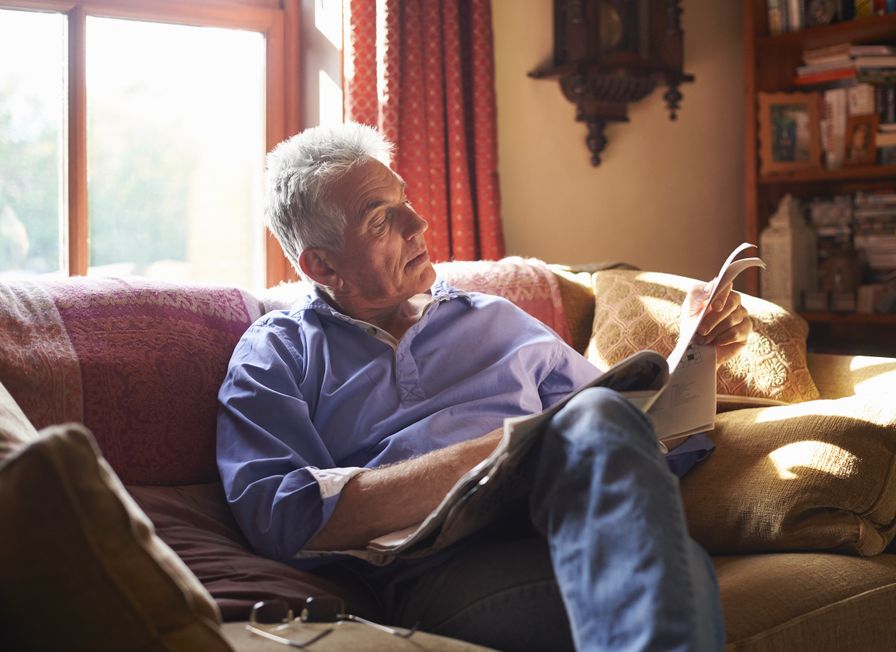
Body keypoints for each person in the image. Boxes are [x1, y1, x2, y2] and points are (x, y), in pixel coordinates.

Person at [216, 123, 752, 651]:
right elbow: (281, 516)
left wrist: (694, 357)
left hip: (560, 526)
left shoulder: (499, 319)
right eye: (381, 219)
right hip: (442, 568)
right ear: (322, 265)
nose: (419, 223)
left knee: (639, 495)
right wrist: (508, 448)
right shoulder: (279, 350)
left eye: (406, 201)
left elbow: (629, 435)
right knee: (673, 573)